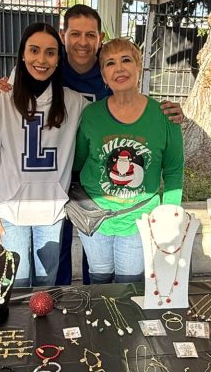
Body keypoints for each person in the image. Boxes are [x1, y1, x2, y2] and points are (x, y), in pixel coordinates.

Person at [0, 4, 184, 286]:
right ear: (63, 36)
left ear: (100, 38)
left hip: (102, 198)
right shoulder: (51, 65)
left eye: (90, 35)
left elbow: (138, 113)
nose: (82, 42)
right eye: (75, 34)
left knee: (101, 272)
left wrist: (170, 114)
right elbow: (22, 86)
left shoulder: (109, 78)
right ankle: (63, 303)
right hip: (62, 187)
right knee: (59, 258)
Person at [0, 22, 88, 288]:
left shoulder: (74, 102)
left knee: (46, 287)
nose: (41, 59)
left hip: (51, 211)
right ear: (22, 54)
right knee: (17, 285)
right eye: (34, 50)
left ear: (58, 59)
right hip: (9, 211)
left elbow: (113, 114)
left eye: (50, 52)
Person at [73, 38, 184, 283]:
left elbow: (174, 170)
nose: (119, 68)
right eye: (110, 63)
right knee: (99, 281)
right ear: (103, 75)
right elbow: (78, 163)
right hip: (95, 219)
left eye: (126, 60)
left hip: (138, 220)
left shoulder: (165, 115)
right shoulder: (91, 114)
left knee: (129, 286)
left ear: (139, 67)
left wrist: (169, 215)